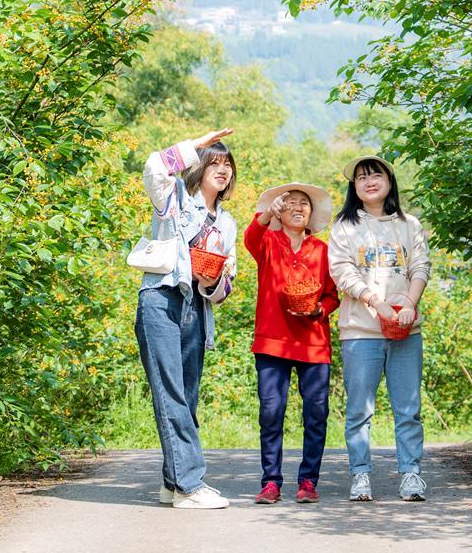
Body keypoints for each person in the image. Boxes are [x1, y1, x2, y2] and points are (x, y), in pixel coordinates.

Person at [136, 129, 238, 509]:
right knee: (171, 394)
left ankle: (171, 482)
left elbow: (227, 283)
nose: (223, 170)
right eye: (215, 162)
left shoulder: (227, 224)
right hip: (162, 298)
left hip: (197, 307)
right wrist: (197, 144)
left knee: (187, 397)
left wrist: (213, 281)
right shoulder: (175, 196)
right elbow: (153, 167)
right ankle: (189, 485)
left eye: (228, 165)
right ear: (199, 166)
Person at [328, 155, 432, 502]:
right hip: (361, 331)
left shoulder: (409, 225)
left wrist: (410, 305)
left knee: (408, 407)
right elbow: (342, 271)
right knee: (360, 409)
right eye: (361, 178)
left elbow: (420, 266)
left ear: (389, 181)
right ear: (354, 188)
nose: (369, 182)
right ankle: (360, 475)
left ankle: (411, 474)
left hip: (406, 331)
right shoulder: (345, 226)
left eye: (375, 175)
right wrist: (377, 302)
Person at [243, 182, 339, 504]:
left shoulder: (323, 251)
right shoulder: (268, 242)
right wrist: (266, 214)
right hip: (272, 341)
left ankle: (308, 481)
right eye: (290, 203)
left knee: (317, 412)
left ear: (311, 214)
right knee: (271, 410)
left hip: (313, 341)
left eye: (304, 204)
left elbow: (331, 294)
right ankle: (271, 482)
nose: (298, 207)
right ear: (280, 211)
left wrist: (320, 309)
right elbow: (249, 237)